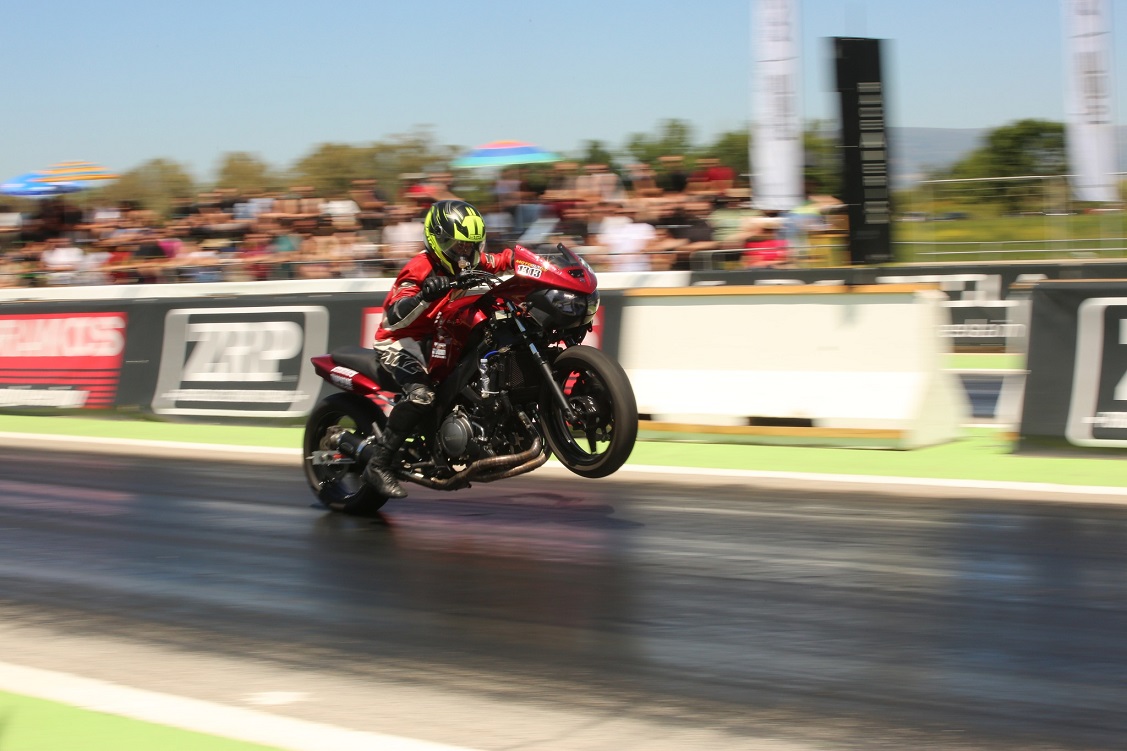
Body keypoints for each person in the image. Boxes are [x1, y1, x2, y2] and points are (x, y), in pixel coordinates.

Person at [363, 200, 513, 498]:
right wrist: (424, 296)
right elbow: (393, 316)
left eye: (470, 245)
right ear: (438, 240)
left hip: (442, 336)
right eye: (458, 245)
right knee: (423, 396)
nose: (464, 252)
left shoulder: (470, 261)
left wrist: (533, 261)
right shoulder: (418, 268)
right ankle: (379, 463)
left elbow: (502, 260)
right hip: (403, 341)